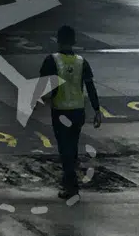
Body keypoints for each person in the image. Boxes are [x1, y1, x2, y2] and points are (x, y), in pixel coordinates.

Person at [39, 25, 103, 200]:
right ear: (74, 42)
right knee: (72, 147)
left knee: (64, 149)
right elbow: (90, 87)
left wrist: (42, 99)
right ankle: (70, 182)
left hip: (61, 112)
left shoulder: (51, 60)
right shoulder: (82, 62)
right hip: (78, 112)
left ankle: (71, 187)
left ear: (58, 40)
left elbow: (44, 86)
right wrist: (97, 110)